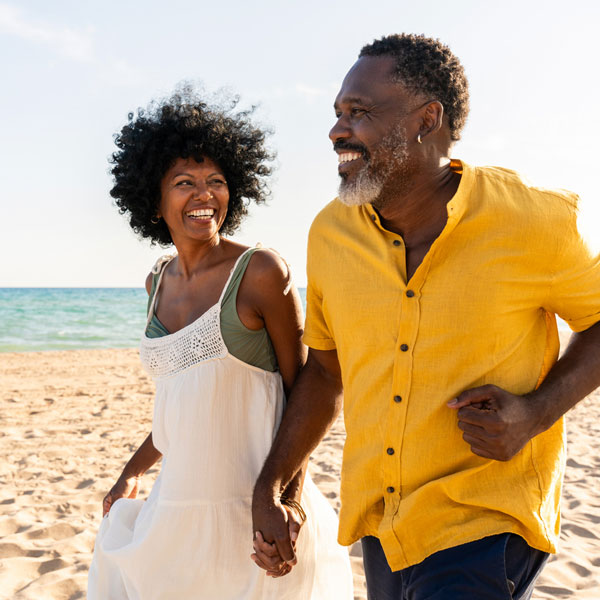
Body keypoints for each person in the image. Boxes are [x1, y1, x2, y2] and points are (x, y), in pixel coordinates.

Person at [251, 34, 600, 599]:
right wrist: (274, 487)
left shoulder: (534, 220)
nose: (338, 130)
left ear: (426, 118)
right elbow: (325, 372)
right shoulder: (330, 234)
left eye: (359, 113)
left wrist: (536, 413)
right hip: (383, 528)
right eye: (338, 114)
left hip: (488, 520)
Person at [87, 87, 353, 600]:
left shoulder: (259, 272)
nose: (204, 195)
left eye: (216, 182)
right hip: (175, 518)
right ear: (154, 197)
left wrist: (288, 501)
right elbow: (183, 412)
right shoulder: (156, 283)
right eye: (184, 182)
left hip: (254, 519)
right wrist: (129, 474)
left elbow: (307, 395)